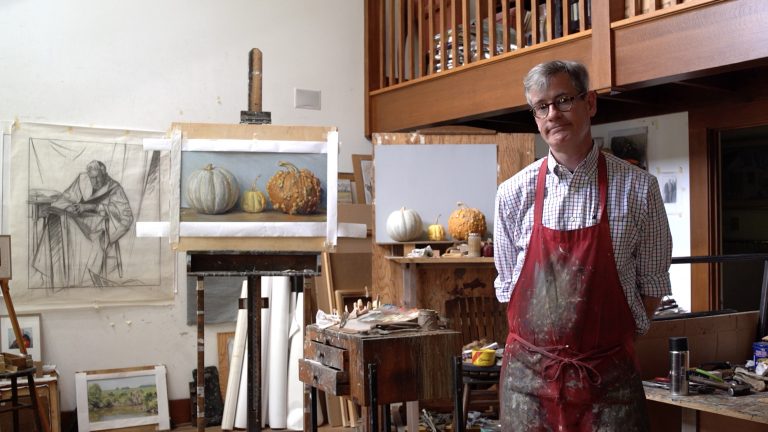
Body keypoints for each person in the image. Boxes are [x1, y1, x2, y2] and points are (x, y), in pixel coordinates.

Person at [493, 60, 672, 431]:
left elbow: (653, 286)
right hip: (528, 385)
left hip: (608, 381)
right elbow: (508, 288)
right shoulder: (512, 195)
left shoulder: (639, 189)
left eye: (563, 100)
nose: (552, 114)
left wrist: (608, 343)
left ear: (590, 102)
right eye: (541, 106)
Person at [32, 160, 133, 287]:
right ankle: (55, 274)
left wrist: (93, 207)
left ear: (104, 174)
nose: (94, 182)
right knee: (55, 218)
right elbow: (67, 197)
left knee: (85, 233)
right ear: (88, 175)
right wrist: (68, 207)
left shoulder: (115, 188)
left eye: (97, 177)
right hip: (79, 220)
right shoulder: (82, 179)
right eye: (92, 178)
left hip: (97, 225)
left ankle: (83, 278)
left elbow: (126, 216)